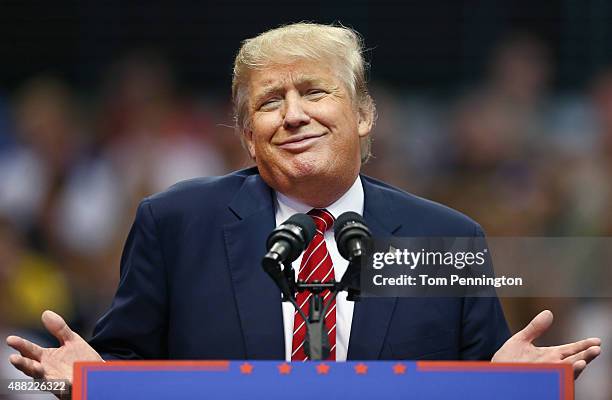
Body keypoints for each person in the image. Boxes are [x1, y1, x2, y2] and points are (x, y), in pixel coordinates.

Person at [6, 23, 601, 385]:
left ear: (364, 114)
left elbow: (478, 382)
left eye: (314, 91)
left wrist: (513, 389)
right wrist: (72, 387)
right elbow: (117, 378)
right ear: (245, 133)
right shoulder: (176, 225)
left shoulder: (446, 239)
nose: (293, 115)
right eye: (270, 101)